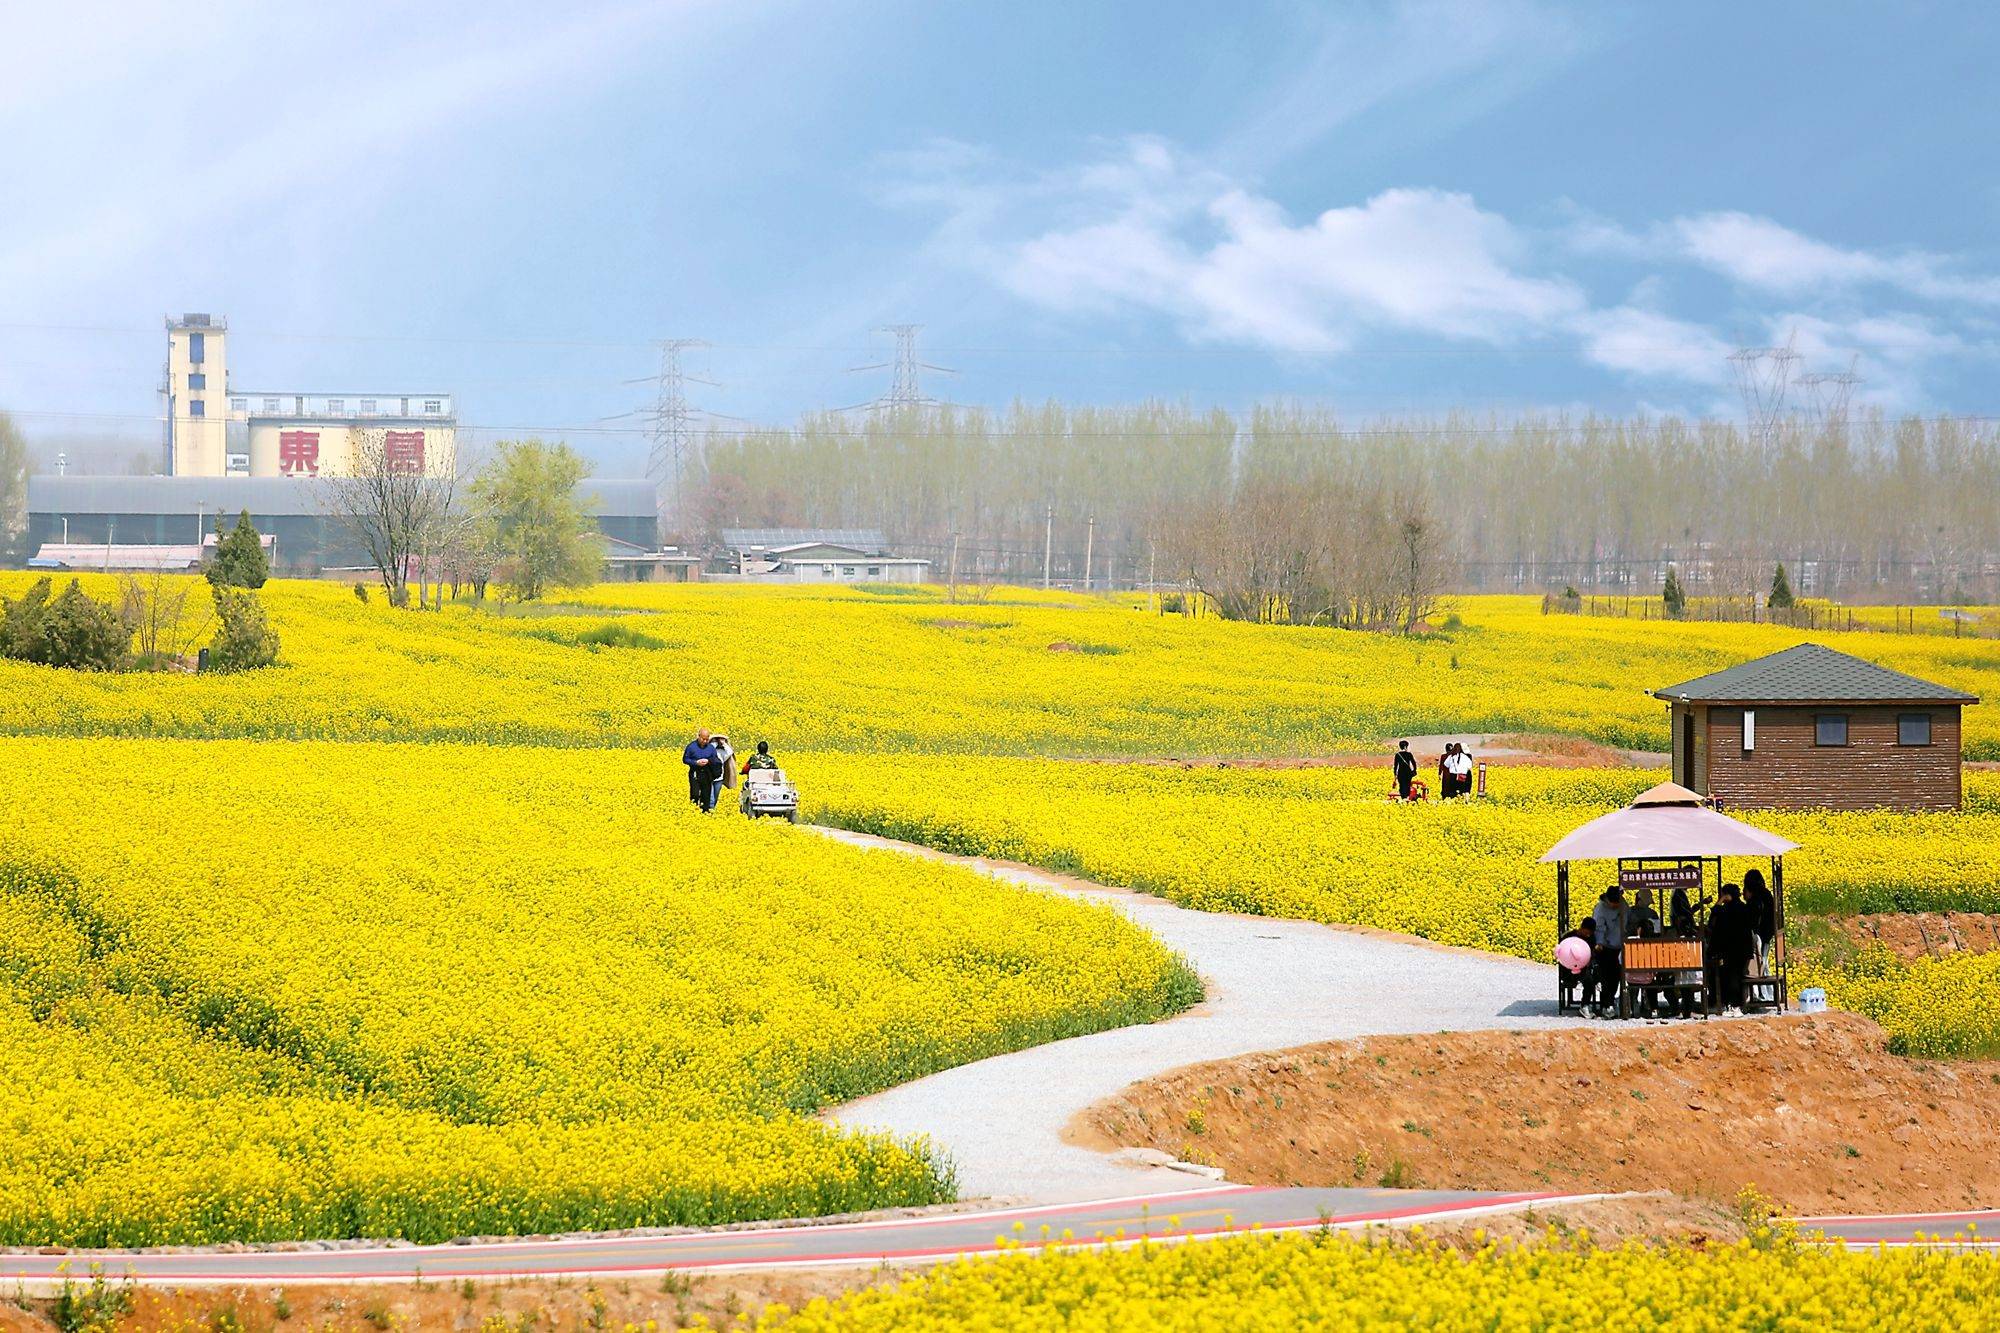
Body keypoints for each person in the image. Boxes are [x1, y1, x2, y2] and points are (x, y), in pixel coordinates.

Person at [1707, 882, 1757, 1015]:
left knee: (1731, 976)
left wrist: (1720, 901)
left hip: (1730, 950)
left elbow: (1713, 917)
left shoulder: (1726, 909)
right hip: (1743, 950)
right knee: (1738, 976)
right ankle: (1737, 1004)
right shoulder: (1743, 907)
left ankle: (1734, 1005)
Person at [1588, 884, 1629, 1018]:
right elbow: (1599, 928)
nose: (1615, 905)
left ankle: (1610, 1003)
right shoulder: (1600, 909)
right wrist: (1599, 943)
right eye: (1613, 903)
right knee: (1605, 977)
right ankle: (1606, 1005)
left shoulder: (1624, 905)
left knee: (1616, 977)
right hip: (1605, 948)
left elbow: (1626, 923)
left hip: (1619, 946)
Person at [1558, 917, 1597, 1012]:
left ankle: (1585, 1005)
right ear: (1582, 928)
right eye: (1587, 932)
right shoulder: (1568, 936)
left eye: (1590, 933)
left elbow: (1592, 954)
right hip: (1567, 970)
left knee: (1590, 981)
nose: (1588, 935)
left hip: (1583, 969)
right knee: (1586, 979)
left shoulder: (1591, 938)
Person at [1744, 868, 1777, 976]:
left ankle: (1763, 990)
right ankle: (1766, 990)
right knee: (1764, 960)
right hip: (1768, 932)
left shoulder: (1756, 897)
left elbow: (1752, 916)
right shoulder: (1766, 894)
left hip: (1759, 933)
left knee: (1759, 962)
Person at [682, 728, 723, 813]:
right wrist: (696, 762)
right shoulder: (691, 747)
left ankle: (705, 812)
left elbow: (715, 760)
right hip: (695, 773)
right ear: (698, 736)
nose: (705, 741)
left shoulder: (711, 748)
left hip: (707, 774)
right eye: (703, 739)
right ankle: (693, 810)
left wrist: (709, 761)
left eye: (707, 739)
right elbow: (685, 759)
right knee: (695, 794)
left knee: (706, 795)